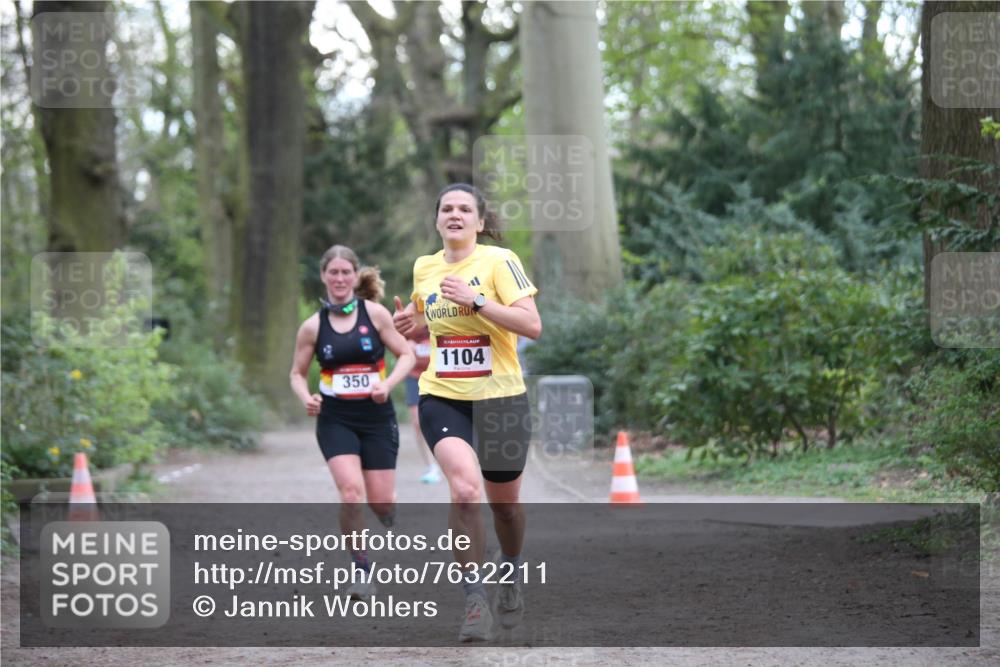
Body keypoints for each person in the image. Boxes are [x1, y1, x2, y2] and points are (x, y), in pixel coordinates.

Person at [392, 183, 541, 642]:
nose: (454, 214)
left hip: (500, 398)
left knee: (507, 508)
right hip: (444, 394)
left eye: (465, 209)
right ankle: (475, 600)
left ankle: (511, 571)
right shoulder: (425, 267)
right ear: (437, 220)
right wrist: (412, 321)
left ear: (479, 222)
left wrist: (477, 301)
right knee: (463, 489)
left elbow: (531, 325)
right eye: (446, 208)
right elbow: (427, 312)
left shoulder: (500, 262)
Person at [290, 245, 415, 599]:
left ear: (355, 275)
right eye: (334, 273)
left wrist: (388, 384)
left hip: (377, 417)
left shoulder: (374, 315)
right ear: (324, 276)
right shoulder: (312, 327)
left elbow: (405, 354)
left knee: (382, 502)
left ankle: (387, 512)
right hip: (335, 418)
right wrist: (306, 397)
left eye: (346, 272)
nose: (340, 278)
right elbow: (296, 375)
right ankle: (361, 570)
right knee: (350, 492)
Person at [404, 325, 441, 483]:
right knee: (418, 423)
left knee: (442, 421)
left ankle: (450, 461)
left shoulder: (443, 307)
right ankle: (432, 467)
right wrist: (406, 344)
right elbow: (395, 341)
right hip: (415, 376)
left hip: (442, 375)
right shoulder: (409, 314)